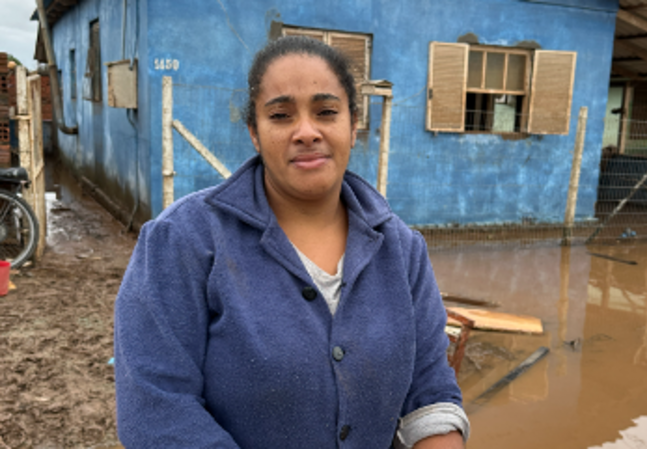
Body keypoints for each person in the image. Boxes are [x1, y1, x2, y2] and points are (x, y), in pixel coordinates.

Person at [114, 36, 469, 448]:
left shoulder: (402, 251)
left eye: (326, 112)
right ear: (254, 132)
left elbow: (430, 390)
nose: (306, 132)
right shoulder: (182, 241)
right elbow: (156, 409)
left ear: (353, 124)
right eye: (281, 116)